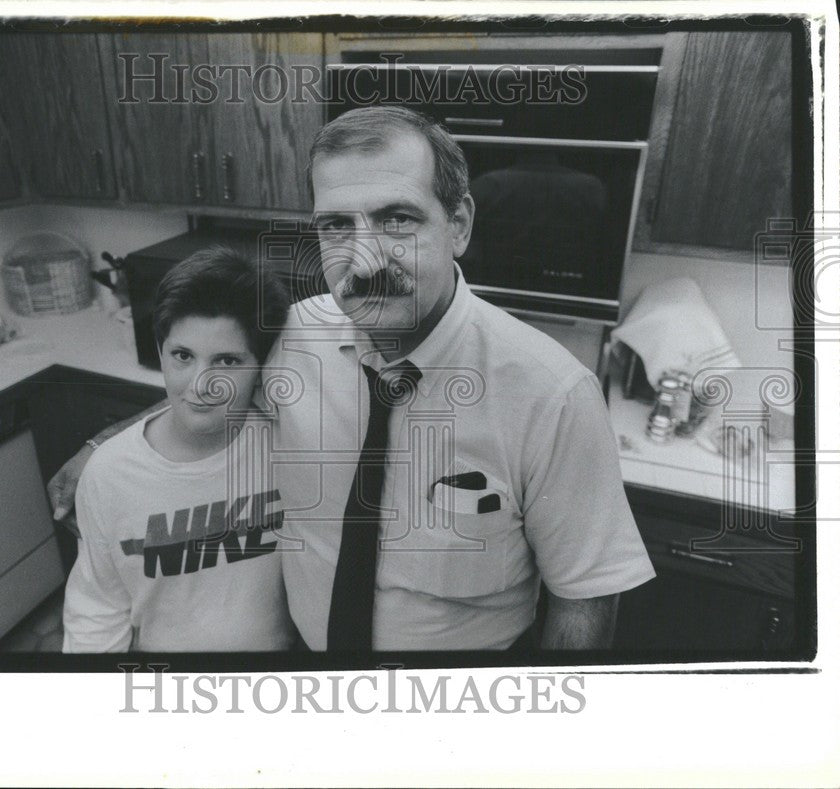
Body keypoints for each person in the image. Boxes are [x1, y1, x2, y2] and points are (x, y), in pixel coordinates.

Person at [51, 106, 655, 653]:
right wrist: (104, 446)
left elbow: (586, 593)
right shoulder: (293, 339)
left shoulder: (552, 396)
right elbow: (215, 383)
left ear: (460, 225)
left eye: (397, 220)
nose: (363, 258)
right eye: (337, 226)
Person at [62, 246, 294, 652]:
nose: (200, 385)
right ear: (160, 352)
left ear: (262, 365)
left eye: (227, 361)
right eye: (183, 356)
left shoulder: (289, 445)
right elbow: (97, 610)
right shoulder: (108, 473)